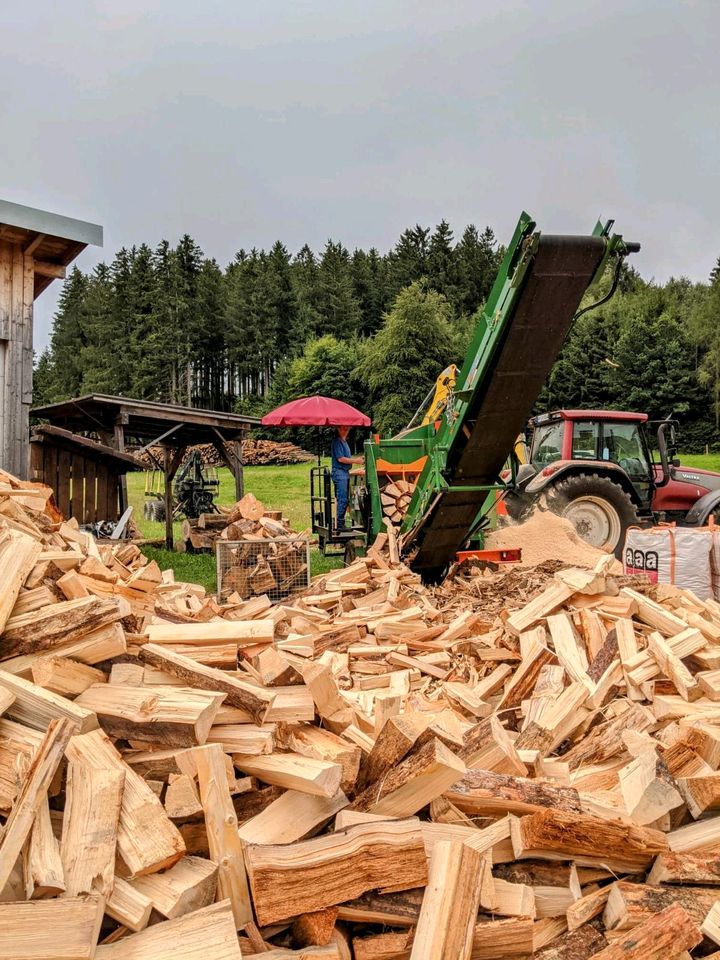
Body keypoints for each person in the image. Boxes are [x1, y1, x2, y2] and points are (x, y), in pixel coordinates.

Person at [331, 425, 362, 529]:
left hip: (345, 472)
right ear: (338, 429)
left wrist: (357, 459)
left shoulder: (344, 442)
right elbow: (340, 459)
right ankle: (340, 524)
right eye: (344, 429)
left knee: (345, 499)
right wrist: (355, 461)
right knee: (342, 499)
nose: (346, 431)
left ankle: (340, 521)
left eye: (347, 429)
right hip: (339, 473)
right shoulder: (337, 441)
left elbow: (347, 458)